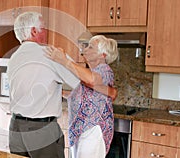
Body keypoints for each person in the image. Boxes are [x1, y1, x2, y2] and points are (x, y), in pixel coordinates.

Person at [7, 12, 116, 158]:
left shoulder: (14, 57)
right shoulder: (50, 54)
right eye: (44, 28)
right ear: (34, 31)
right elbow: (85, 80)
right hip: (41, 130)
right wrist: (64, 59)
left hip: (15, 127)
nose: (47, 32)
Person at [44, 35, 119, 158]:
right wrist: (56, 91)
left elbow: (92, 80)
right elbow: (78, 95)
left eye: (91, 47)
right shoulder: (88, 72)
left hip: (93, 130)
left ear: (103, 55)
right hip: (81, 129)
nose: (86, 48)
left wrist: (64, 60)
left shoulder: (105, 70)